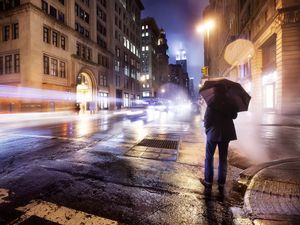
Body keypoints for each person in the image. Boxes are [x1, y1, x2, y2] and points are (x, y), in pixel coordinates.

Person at [201, 96, 238, 194]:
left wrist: (207, 130)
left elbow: (207, 120)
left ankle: (208, 181)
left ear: (216, 92)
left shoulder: (212, 102)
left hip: (213, 133)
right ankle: (221, 183)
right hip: (226, 134)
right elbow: (234, 115)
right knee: (223, 158)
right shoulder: (231, 101)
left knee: (209, 157)